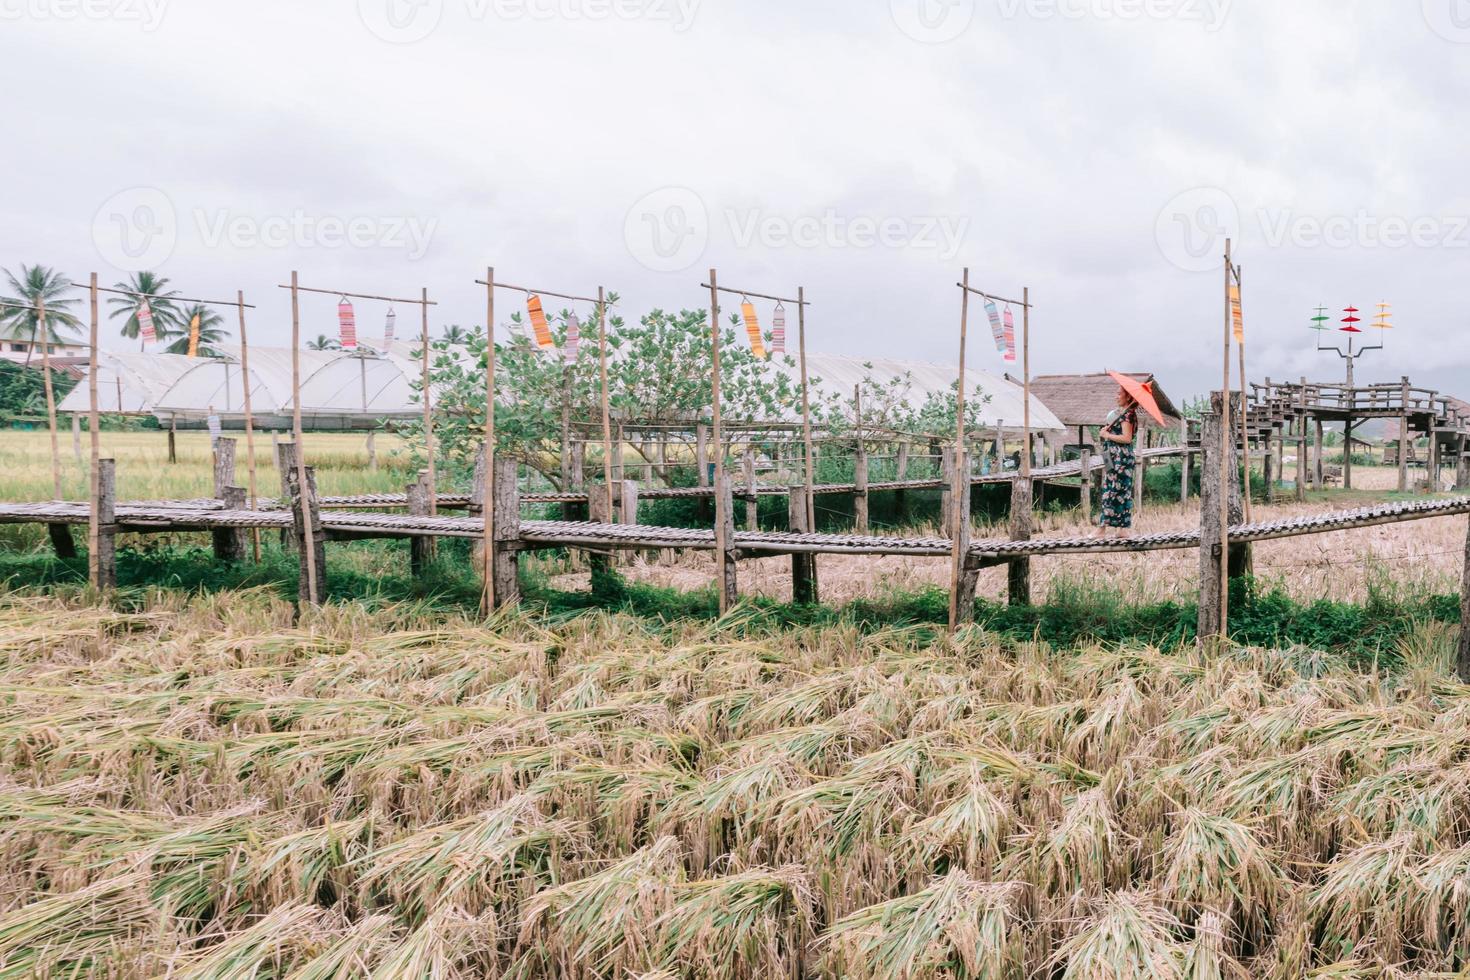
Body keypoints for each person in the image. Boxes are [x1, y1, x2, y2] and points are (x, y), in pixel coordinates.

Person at [1096, 384, 1138, 538]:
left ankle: (1102, 529)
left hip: (1121, 459)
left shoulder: (1128, 415)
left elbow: (1126, 438)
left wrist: (1107, 436)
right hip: (1116, 457)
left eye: (1119, 394)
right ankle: (1122, 529)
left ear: (1128, 397)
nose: (1116, 396)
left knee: (1112, 491)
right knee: (1120, 491)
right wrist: (1107, 431)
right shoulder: (1123, 414)